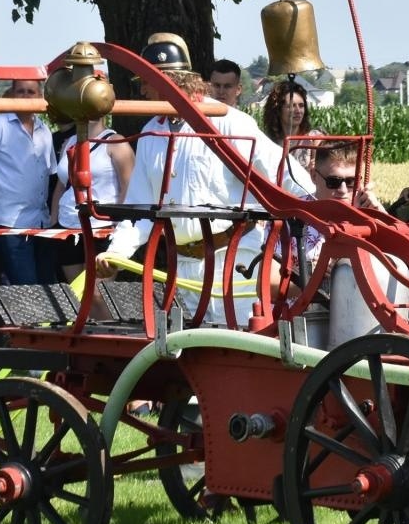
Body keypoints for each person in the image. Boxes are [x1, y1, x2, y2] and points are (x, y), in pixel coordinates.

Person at [98, 36, 290, 323]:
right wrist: (115, 253)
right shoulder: (152, 132)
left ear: (167, 80)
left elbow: (284, 174)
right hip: (183, 267)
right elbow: (139, 211)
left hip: (235, 262)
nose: (142, 90)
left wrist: (322, 210)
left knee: (241, 349)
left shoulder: (228, 122)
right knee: (193, 353)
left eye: (147, 81)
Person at [0, 77, 55, 286]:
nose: (25, 96)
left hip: (40, 220)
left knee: (46, 287)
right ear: (11, 95)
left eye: (30, 92)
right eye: (20, 91)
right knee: (26, 288)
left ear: (40, 97)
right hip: (7, 222)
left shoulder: (45, 130)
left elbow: (49, 173)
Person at [50, 116, 128, 284]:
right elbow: (61, 185)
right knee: (76, 294)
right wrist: (54, 220)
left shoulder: (116, 142)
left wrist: (119, 226)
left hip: (103, 227)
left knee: (98, 294)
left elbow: (129, 186)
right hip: (68, 227)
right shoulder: (70, 141)